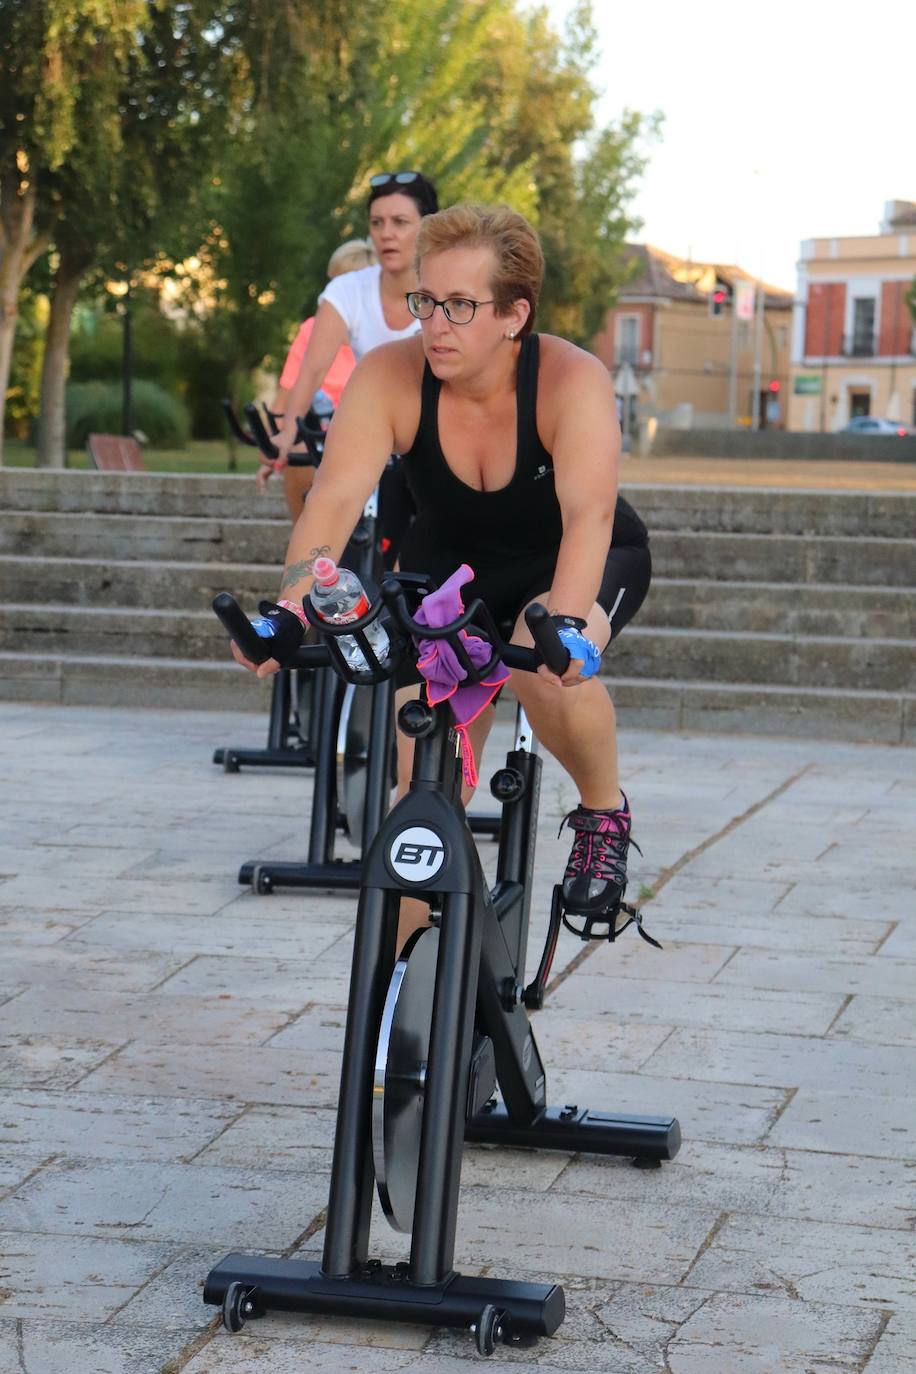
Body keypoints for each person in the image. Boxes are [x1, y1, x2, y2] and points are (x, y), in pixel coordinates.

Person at [235, 202, 651, 952]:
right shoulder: (390, 375)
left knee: (542, 669)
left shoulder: (570, 379)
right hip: (450, 573)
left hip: (571, 558)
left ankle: (602, 814)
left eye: (461, 305)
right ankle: (415, 987)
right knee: (421, 801)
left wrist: (563, 626)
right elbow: (333, 500)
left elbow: (588, 515)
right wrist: (290, 610)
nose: (434, 325)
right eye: (426, 301)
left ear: (515, 315)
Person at [261, 238, 377, 519]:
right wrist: (273, 448)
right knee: (302, 456)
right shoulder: (312, 331)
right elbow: (284, 401)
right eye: (332, 284)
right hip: (319, 443)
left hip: (371, 440)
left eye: (343, 285)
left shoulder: (379, 330)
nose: (334, 296)